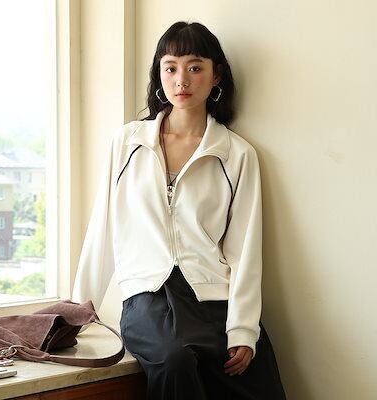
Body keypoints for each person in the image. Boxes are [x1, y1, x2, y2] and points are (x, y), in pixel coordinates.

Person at [72, 21, 286, 400]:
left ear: (216, 75)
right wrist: (75, 313)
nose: (181, 79)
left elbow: (244, 249)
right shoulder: (128, 143)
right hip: (147, 296)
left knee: (252, 374)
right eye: (170, 68)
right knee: (174, 361)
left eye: (195, 67)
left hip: (212, 299)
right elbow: (102, 228)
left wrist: (242, 329)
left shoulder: (236, 154)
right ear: (159, 74)